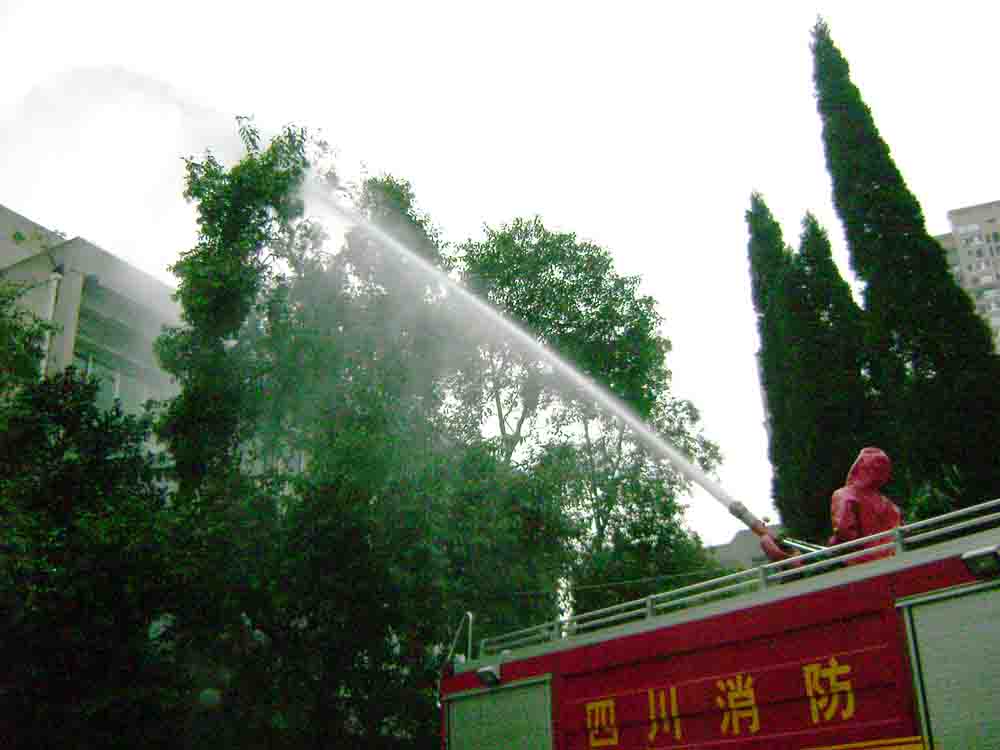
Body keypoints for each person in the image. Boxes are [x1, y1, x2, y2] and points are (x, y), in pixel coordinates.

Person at [828, 446, 902, 565]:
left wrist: (833, 544)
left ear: (857, 467)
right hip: (892, 563)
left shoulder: (844, 495)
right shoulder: (890, 506)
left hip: (861, 566)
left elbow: (844, 531)